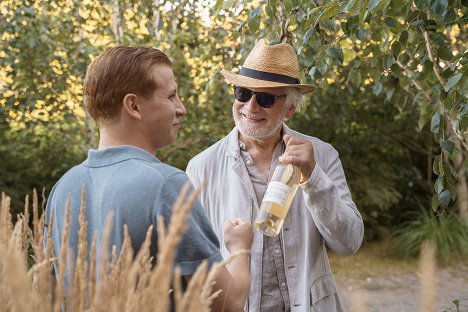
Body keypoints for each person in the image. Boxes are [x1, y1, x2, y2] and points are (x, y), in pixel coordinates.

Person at [44, 46, 253, 312]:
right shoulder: (166, 186)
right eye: (172, 96)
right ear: (133, 106)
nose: (182, 109)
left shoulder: (63, 188)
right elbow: (228, 303)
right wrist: (240, 247)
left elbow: (50, 295)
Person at [186, 39, 364, 311]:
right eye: (243, 93)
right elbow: (194, 263)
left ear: (290, 109)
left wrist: (312, 176)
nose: (251, 106)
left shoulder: (322, 155)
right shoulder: (202, 167)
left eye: (266, 98)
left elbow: (349, 242)